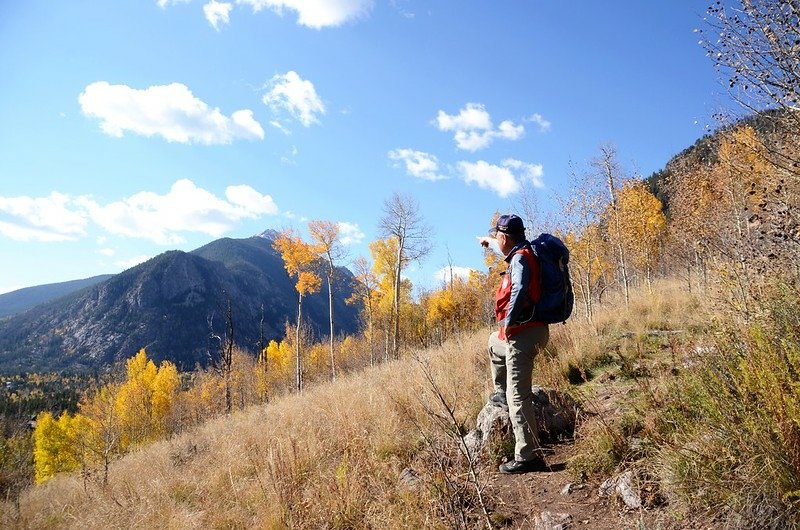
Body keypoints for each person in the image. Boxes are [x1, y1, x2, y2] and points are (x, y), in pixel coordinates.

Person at [479, 214, 550, 474]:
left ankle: (528, 456)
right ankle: (500, 392)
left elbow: (519, 287)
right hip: (531, 330)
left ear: (506, 237)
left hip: (523, 334)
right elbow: (510, 256)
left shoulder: (520, 259)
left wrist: (508, 322)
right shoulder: (522, 252)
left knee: (518, 394)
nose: (496, 240)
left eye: (497, 236)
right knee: (492, 343)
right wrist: (487, 240)